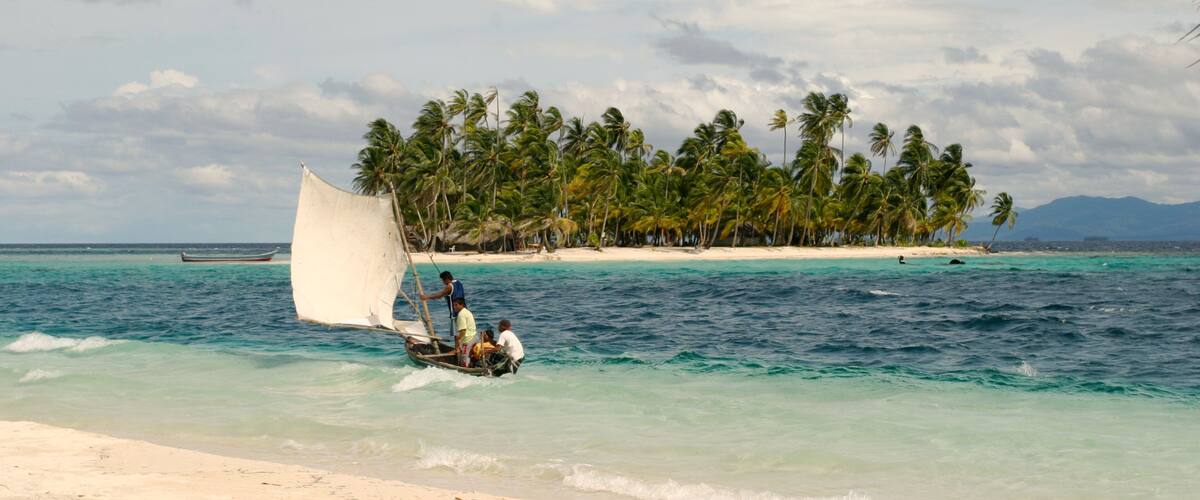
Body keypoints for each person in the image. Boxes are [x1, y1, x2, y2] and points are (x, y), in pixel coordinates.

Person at [420, 271, 465, 340]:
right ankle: (461, 347)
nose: (443, 282)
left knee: (456, 333)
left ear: (446, 279)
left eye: (443, 280)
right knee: (463, 330)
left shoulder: (449, 287)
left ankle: (457, 349)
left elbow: (439, 295)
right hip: (464, 309)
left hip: (455, 312)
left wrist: (426, 297)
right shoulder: (458, 282)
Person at [451, 297, 477, 367]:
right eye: (453, 305)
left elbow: (463, 331)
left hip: (468, 340)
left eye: (456, 305)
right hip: (474, 337)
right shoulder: (467, 311)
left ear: (461, 305)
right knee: (470, 356)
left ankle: (466, 369)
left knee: (464, 359)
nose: (454, 307)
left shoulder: (461, 314)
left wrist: (458, 341)